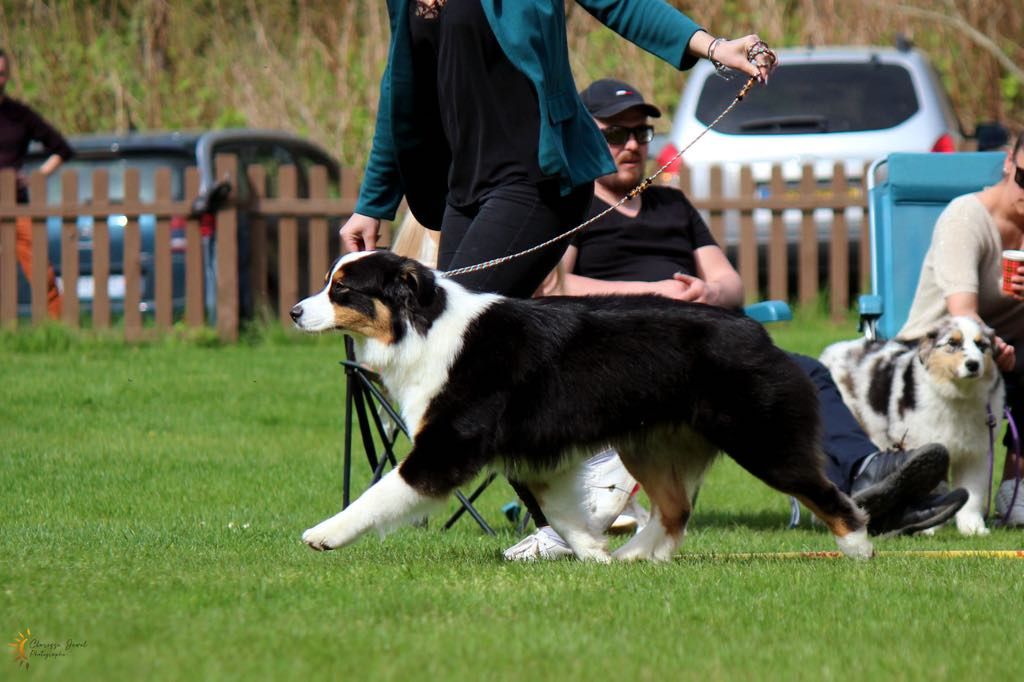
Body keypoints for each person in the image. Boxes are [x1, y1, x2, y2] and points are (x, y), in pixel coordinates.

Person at [502, 78, 968, 560]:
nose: (633, 145)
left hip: (702, 342)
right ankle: (875, 499)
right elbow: (557, 288)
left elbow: (731, 284)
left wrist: (706, 291)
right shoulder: (574, 208)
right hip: (626, 352)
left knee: (807, 370)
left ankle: (871, 474)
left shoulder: (673, 204)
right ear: (585, 137)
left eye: (641, 134)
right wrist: (656, 294)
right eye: (616, 135)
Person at [338, 0, 776, 301]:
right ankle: (577, 437)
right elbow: (401, 86)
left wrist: (715, 48)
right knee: (468, 356)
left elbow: (623, 3)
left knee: (452, 336)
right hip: (464, 191)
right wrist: (373, 204)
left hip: (536, 181)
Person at [897, 130, 1024, 526]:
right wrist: (996, 350)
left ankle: (1015, 488)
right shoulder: (965, 217)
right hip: (938, 351)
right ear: (1008, 162)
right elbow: (963, 316)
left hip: (1008, 354)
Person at [0, 47, 73, 319]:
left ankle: (59, 331)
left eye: (2, 74)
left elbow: (62, 149)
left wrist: (35, 178)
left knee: (43, 274)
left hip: (17, 205)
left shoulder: (19, 115)